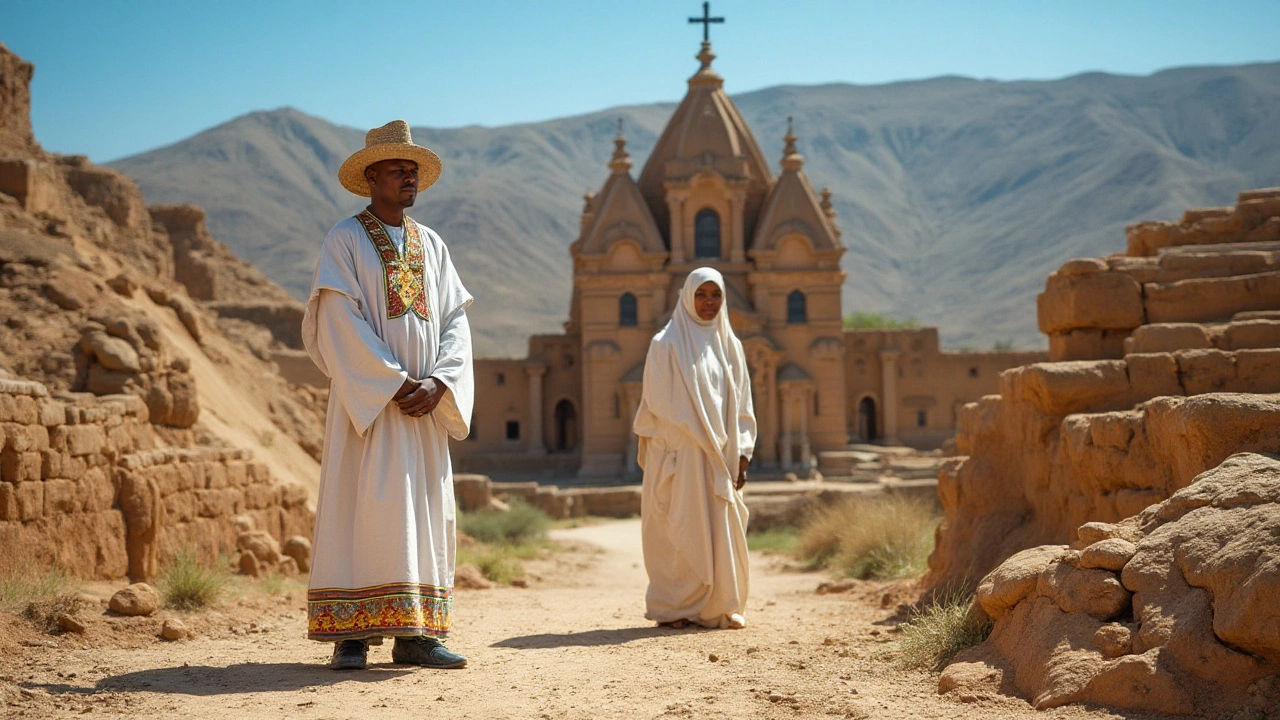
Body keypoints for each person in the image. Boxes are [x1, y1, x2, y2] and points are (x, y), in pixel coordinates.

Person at [301, 120, 474, 671]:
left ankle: (417, 636)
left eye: (414, 170)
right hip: (370, 407)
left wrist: (440, 382)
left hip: (422, 407)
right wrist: (392, 380)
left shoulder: (434, 245)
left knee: (423, 511)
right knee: (360, 506)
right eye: (398, 169)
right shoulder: (345, 239)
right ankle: (351, 636)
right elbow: (338, 316)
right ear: (370, 176)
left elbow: (454, 321)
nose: (409, 177)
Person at [633, 267, 757, 629]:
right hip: (680, 454)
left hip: (721, 457)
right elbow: (659, 402)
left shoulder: (730, 346)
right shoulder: (665, 344)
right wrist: (700, 436)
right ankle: (674, 608)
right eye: (701, 295)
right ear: (688, 297)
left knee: (722, 529)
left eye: (715, 295)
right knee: (679, 530)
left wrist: (743, 452)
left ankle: (721, 606)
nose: (708, 302)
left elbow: (743, 405)